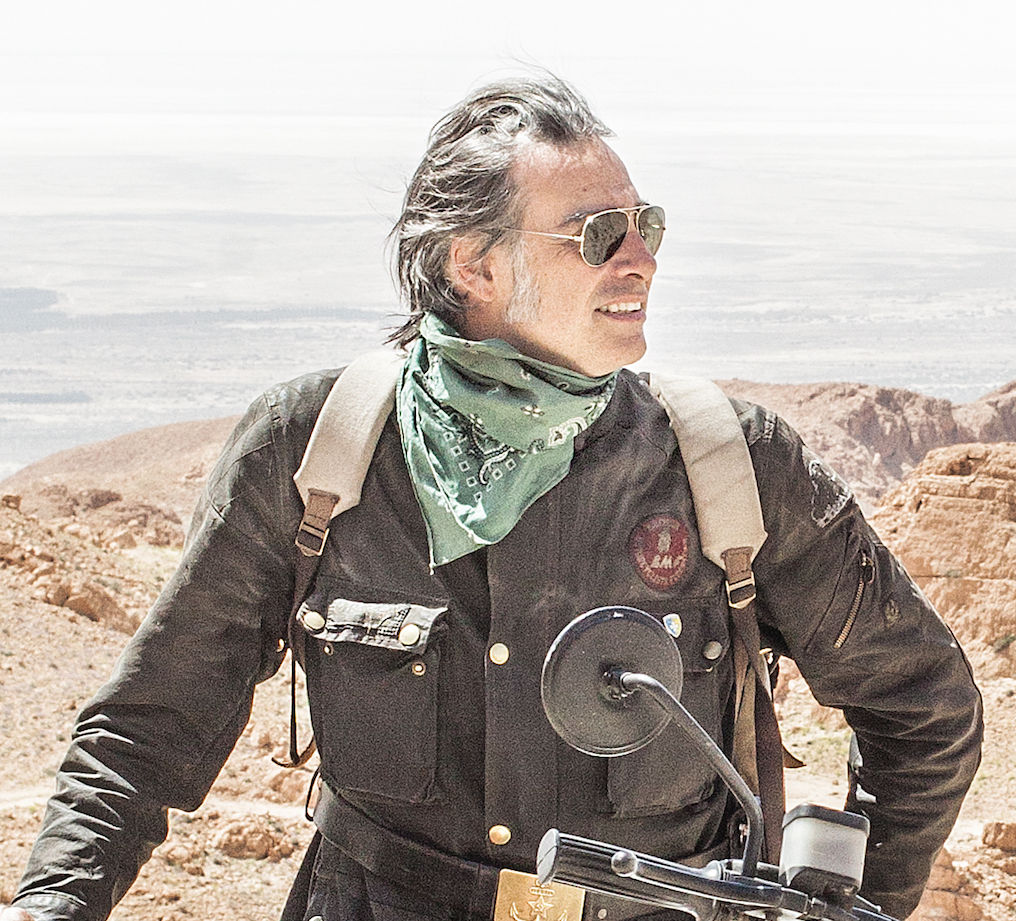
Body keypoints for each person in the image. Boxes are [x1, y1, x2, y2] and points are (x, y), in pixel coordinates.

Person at [6, 74, 981, 921]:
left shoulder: (729, 465)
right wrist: (54, 900)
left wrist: (860, 901)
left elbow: (922, 704)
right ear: (471, 263)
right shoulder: (315, 450)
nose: (639, 257)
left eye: (645, 226)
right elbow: (150, 728)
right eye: (598, 234)